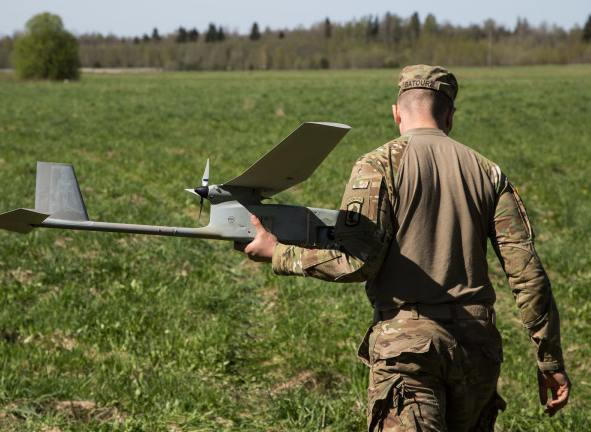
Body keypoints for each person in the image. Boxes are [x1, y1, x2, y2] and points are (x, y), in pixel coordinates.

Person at [234, 65, 571, 431]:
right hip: (477, 351)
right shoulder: (489, 173)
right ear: (450, 116)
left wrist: (279, 253)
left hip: (407, 351)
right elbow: (528, 275)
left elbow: (357, 261)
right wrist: (549, 361)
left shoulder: (378, 165)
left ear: (396, 112)